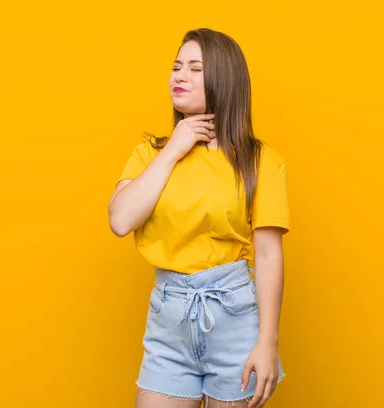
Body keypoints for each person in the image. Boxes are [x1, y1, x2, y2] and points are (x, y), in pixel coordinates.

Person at [108, 28, 291, 408]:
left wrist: (267, 342)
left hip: (234, 318)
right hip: (168, 320)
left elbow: (270, 255)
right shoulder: (150, 154)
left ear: (224, 78)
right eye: (177, 67)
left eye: (195, 68)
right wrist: (173, 148)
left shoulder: (260, 161)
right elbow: (121, 220)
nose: (180, 76)